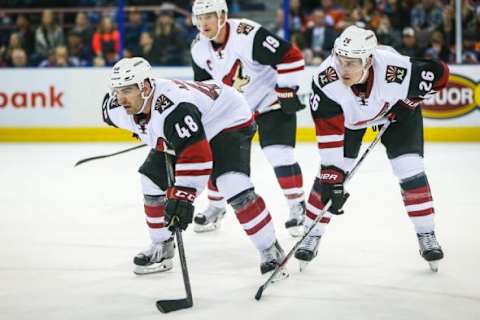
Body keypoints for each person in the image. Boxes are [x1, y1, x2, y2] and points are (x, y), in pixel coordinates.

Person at [102, 57, 286, 275]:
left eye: (127, 90)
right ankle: (161, 246)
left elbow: (197, 156)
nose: (121, 98)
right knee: (151, 180)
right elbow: (108, 109)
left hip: (227, 117)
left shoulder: (174, 108)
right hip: (191, 126)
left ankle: (270, 249)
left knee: (232, 183)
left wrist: (183, 196)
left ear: (146, 87)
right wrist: (145, 130)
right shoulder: (118, 107)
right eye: (117, 91)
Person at [294, 25, 448, 272]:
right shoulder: (325, 81)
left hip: (395, 112)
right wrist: (333, 178)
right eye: (340, 60)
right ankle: (311, 233)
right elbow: (328, 136)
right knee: (330, 175)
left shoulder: (395, 69)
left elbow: (440, 74)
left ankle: (426, 234)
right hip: (350, 121)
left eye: (352, 63)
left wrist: (409, 102)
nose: (344, 69)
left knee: (409, 168)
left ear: (368, 60)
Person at [190, 0, 306, 236]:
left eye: (209, 16)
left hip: (269, 102)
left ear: (223, 15)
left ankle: (298, 207)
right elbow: (205, 87)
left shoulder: (247, 33)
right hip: (236, 110)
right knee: (219, 156)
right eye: (199, 17)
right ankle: (216, 206)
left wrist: (286, 89)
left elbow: (291, 56)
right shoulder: (198, 48)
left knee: (278, 152)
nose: (204, 23)